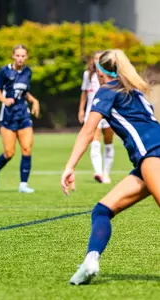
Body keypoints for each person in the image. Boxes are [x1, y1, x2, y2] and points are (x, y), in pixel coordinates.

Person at [61, 49, 160, 285]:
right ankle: (90, 262)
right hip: (147, 160)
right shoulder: (135, 91)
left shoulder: (107, 91)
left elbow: (87, 131)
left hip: (152, 155)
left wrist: (69, 166)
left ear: (99, 72)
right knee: (102, 210)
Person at [0, 44, 40, 193]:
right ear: (13, 55)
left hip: (23, 115)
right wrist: (4, 101)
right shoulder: (4, 71)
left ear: (26, 57)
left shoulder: (28, 72)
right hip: (8, 116)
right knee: (9, 153)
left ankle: (23, 184)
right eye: (18, 55)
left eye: (23, 56)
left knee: (26, 148)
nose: (20, 58)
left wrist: (34, 101)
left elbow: (25, 93)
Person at [78, 51, 115, 184]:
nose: (97, 61)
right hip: (93, 111)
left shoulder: (111, 75)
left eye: (100, 59)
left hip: (108, 112)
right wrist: (81, 110)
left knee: (108, 142)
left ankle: (106, 173)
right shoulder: (88, 75)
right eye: (95, 58)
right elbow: (84, 93)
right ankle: (98, 171)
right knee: (94, 141)